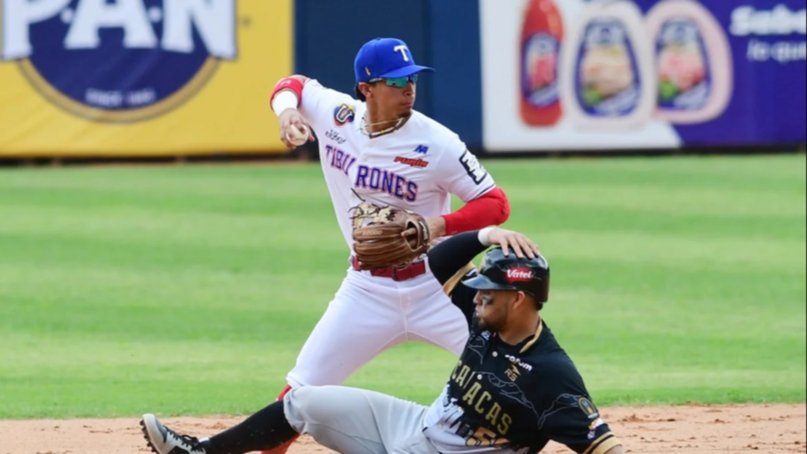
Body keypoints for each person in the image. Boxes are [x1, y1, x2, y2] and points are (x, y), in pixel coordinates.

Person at [141, 227, 625, 454]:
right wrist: (483, 235)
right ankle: (199, 453)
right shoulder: (486, 323)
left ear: (519, 299)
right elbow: (437, 266)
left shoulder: (552, 374)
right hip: (413, 427)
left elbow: (602, 446)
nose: (475, 298)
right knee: (303, 402)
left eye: (488, 292)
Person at [264, 36, 511, 452]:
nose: (409, 89)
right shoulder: (338, 116)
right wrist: (287, 113)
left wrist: (438, 225)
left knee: (514, 376)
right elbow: (293, 84)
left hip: (439, 286)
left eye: (411, 79)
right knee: (298, 395)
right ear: (367, 88)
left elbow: (496, 203)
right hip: (367, 289)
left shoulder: (437, 142)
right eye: (396, 82)